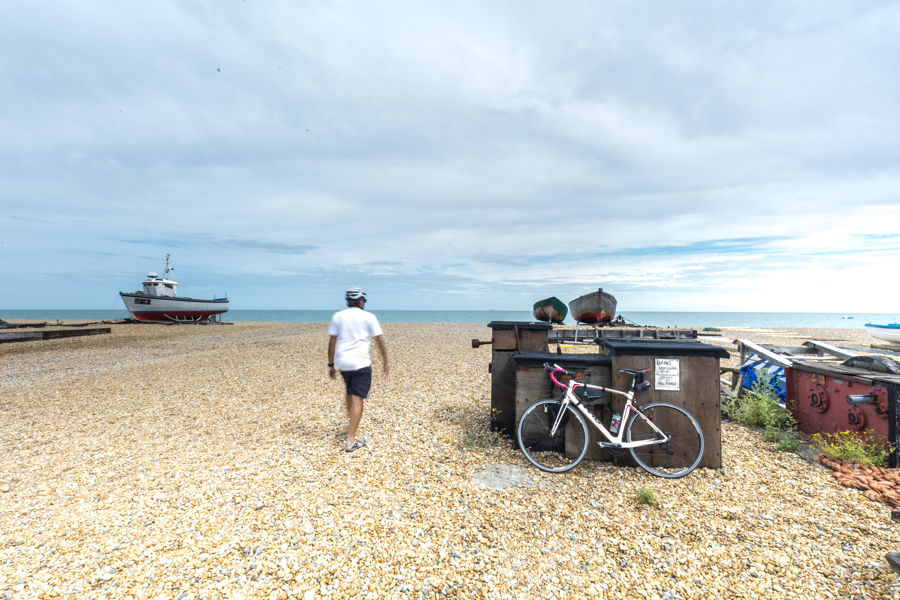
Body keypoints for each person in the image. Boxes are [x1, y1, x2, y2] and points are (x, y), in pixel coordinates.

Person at [327, 287, 389, 452]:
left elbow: (332, 341)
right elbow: (379, 341)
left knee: (349, 391)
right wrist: (385, 361)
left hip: (343, 363)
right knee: (357, 398)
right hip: (360, 363)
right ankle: (351, 441)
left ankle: (351, 425)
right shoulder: (369, 317)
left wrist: (331, 364)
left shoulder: (338, 316)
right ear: (361, 301)